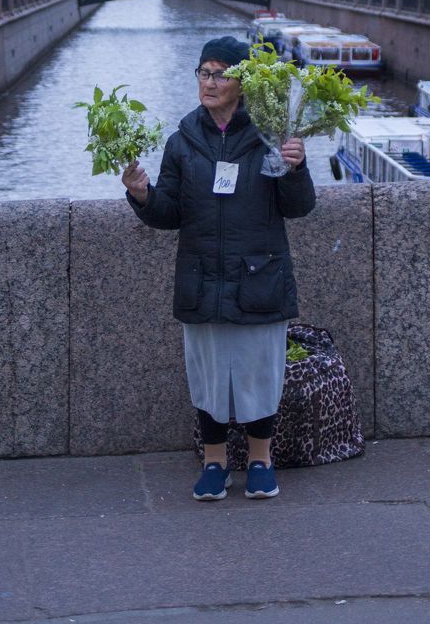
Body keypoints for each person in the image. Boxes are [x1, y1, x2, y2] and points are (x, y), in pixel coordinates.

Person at [122, 36, 316, 502]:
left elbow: (299, 207)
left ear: (241, 83)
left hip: (259, 276)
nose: (209, 82)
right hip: (203, 277)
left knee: (258, 375)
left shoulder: (271, 134)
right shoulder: (182, 141)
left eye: (219, 74)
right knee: (208, 377)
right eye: (203, 73)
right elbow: (170, 213)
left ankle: (261, 461)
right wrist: (143, 194)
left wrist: (296, 167)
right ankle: (214, 462)